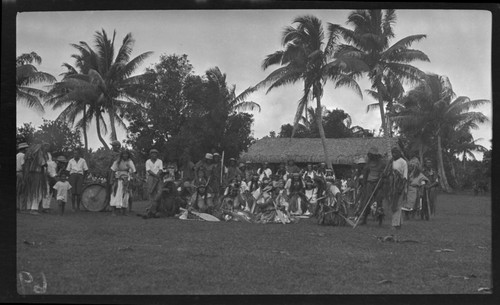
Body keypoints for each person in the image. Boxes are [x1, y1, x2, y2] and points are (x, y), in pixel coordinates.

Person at [356, 147, 386, 226]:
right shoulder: (368, 163)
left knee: (379, 203)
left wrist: (381, 180)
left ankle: (380, 221)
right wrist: (364, 183)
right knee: (366, 201)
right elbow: (365, 173)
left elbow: (383, 174)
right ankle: (364, 219)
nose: (371, 156)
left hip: (378, 184)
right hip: (369, 183)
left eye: (372, 155)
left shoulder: (381, 163)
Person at [22, 144, 49, 215]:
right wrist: (46, 164)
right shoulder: (39, 154)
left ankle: (28, 208)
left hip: (30, 174)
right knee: (37, 192)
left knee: (30, 192)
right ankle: (34, 209)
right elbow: (43, 164)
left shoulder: (28, 156)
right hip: (37, 175)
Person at [110, 150, 136, 216]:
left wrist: (132, 178)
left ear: (128, 155)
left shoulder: (130, 162)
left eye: (126, 154)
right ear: (121, 155)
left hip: (126, 180)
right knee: (115, 194)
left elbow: (133, 170)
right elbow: (113, 171)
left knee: (125, 195)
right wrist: (111, 179)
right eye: (124, 154)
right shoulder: (117, 162)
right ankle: (114, 211)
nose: (125, 155)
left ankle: (124, 211)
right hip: (118, 179)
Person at [388, 147, 408, 230]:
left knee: (397, 204)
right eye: (393, 153)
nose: (394, 154)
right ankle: (398, 223)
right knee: (394, 204)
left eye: (395, 153)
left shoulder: (403, 162)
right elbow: (387, 172)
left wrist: (401, 188)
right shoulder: (390, 161)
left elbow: (405, 177)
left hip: (399, 185)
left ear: (399, 153)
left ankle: (394, 224)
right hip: (391, 186)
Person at [17, 142, 29, 212]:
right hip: (21, 173)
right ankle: (22, 207)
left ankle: (18, 206)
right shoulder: (23, 156)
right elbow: (23, 165)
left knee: (18, 191)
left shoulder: (17, 155)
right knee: (23, 190)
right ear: (23, 149)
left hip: (17, 172)